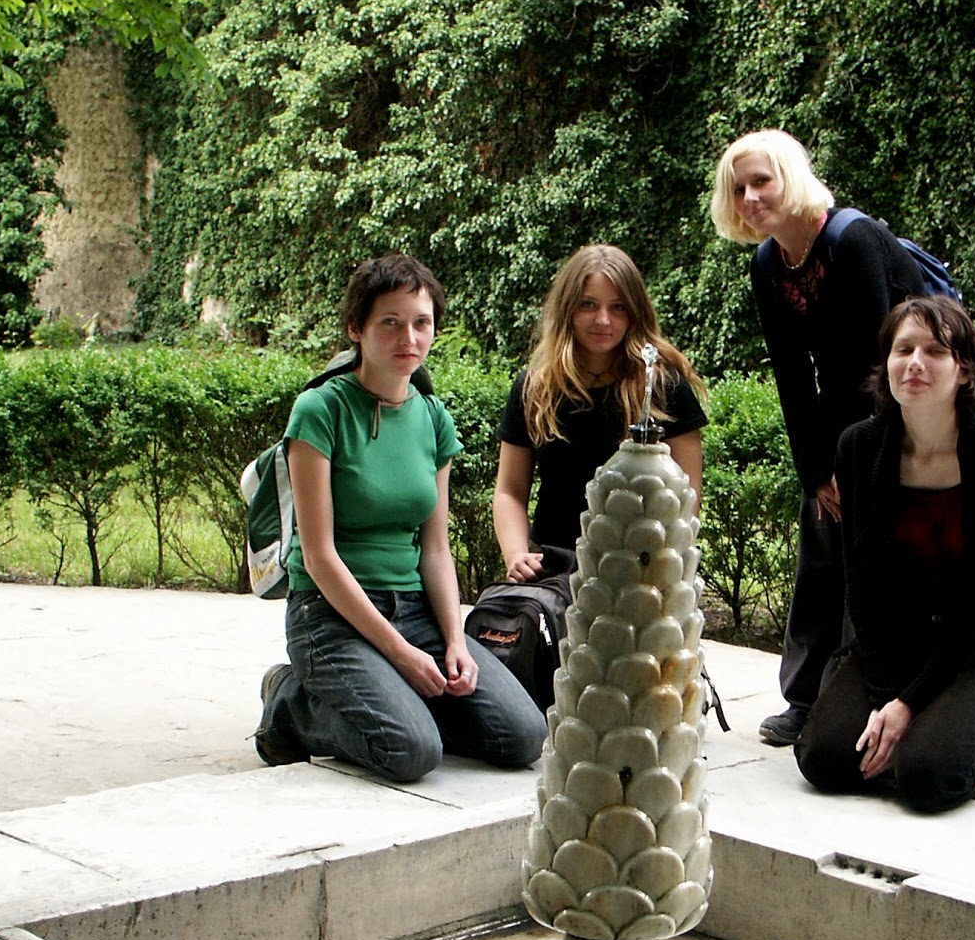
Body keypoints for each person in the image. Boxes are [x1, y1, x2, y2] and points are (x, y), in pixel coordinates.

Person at [254, 254, 547, 782]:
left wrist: (453, 641)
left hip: (415, 611)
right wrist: (402, 654)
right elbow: (318, 557)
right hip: (330, 616)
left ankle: (400, 702)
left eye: (421, 323)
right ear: (356, 329)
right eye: (389, 322)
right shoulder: (320, 411)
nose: (408, 338)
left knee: (522, 736)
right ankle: (291, 701)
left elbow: (435, 549)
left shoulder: (432, 418)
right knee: (410, 752)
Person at [710, 129, 925, 747]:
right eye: (739, 188)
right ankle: (805, 699)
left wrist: (856, 466)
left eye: (762, 181)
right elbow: (792, 377)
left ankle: (856, 699)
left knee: (870, 562)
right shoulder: (767, 266)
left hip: (903, 409)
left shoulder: (852, 240)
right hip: (839, 411)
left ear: (790, 178)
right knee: (821, 543)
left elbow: (880, 366)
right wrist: (816, 470)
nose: (750, 197)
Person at [794, 296, 975, 813]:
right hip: (892, 642)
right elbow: (859, 583)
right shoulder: (858, 448)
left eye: (935, 351)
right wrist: (886, 695)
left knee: (927, 778)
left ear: (963, 369)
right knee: (823, 759)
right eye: (903, 350)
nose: (915, 363)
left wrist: (907, 705)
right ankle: (920, 727)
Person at [492, 244, 706, 581]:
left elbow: (687, 498)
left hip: (641, 573)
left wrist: (664, 568)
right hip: (552, 569)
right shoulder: (535, 388)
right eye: (588, 304)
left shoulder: (663, 387)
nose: (603, 320)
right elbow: (510, 491)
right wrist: (517, 554)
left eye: (617, 307)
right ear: (567, 309)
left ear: (634, 311)